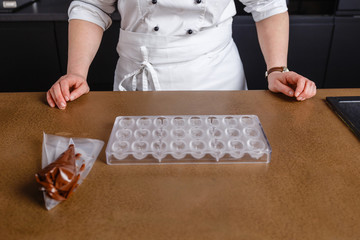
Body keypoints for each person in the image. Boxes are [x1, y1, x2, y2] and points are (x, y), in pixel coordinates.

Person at [47, 0, 317, 110]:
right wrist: (76, 74)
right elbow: (91, 7)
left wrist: (277, 69)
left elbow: (268, 5)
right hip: (140, 79)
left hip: (216, 76)